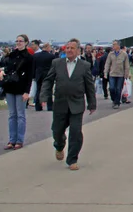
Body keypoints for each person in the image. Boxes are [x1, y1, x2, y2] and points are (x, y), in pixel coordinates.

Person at [39, 38, 96, 170]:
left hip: (77, 104)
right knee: (57, 131)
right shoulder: (57, 63)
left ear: (78, 50)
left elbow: (89, 86)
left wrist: (92, 103)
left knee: (76, 132)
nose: (69, 50)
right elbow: (48, 81)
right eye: (67, 48)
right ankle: (59, 146)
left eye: (72, 48)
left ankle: (72, 159)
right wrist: (44, 96)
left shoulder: (84, 65)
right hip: (60, 103)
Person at [0, 34, 34, 151]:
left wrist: (27, 92)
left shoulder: (29, 57)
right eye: (17, 41)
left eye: (21, 41)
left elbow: (30, 76)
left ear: (26, 42)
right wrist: (1, 72)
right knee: (12, 115)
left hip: (21, 88)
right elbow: (5, 67)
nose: (18, 43)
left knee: (20, 115)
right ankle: (12, 139)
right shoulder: (12, 55)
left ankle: (19, 140)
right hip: (10, 87)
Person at [103, 40, 130, 109]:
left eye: (114, 44)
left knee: (118, 89)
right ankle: (114, 99)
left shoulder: (124, 54)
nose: (113, 46)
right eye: (113, 44)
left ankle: (117, 102)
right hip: (112, 74)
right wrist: (105, 72)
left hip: (120, 75)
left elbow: (127, 65)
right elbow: (107, 64)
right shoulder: (110, 54)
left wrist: (126, 74)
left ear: (118, 45)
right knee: (112, 88)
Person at [32, 42, 55, 111]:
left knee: (38, 90)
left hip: (38, 74)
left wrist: (33, 75)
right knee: (48, 90)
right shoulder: (51, 56)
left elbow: (34, 66)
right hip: (48, 75)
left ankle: (38, 106)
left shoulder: (36, 56)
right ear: (47, 47)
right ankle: (50, 106)